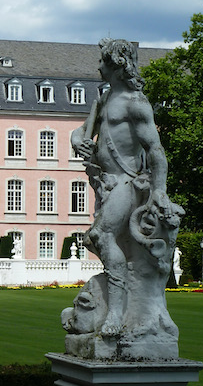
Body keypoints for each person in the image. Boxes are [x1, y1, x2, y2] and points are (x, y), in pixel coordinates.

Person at [70, 38, 180, 337]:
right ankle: (118, 306)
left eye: (103, 61)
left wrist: (159, 190)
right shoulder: (104, 100)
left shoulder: (135, 102)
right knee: (98, 239)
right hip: (104, 182)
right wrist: (75, 138)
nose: (98, 66)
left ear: (118, 65)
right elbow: (84, 131)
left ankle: (117, 314)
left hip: (128, 180)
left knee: (101, 234)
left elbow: (155, 150)